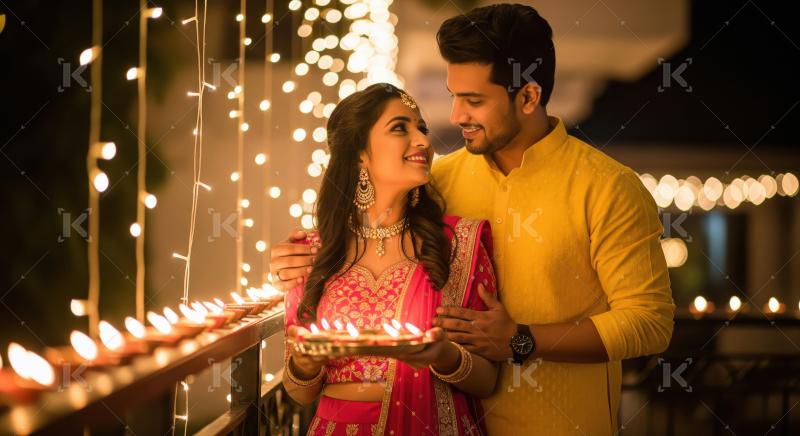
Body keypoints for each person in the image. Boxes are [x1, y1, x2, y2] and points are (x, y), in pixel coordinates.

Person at [274, 4, 675, 435]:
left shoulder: (607, 187)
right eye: (454, 96)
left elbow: (648, 322)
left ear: (528, 97)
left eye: (474, 100)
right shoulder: (438, 183)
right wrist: (295, 260)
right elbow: (369, 235)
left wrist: (521, 339)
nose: (456, 116)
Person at [282, 83, 499, 435]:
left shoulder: (459, 243)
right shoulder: (311, 253)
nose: (424, 141)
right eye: (400, 128)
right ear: (359, 154)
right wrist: (305, 365)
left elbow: (489, 379)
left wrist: (444, 355)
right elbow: (298, 392)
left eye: (422, 128)